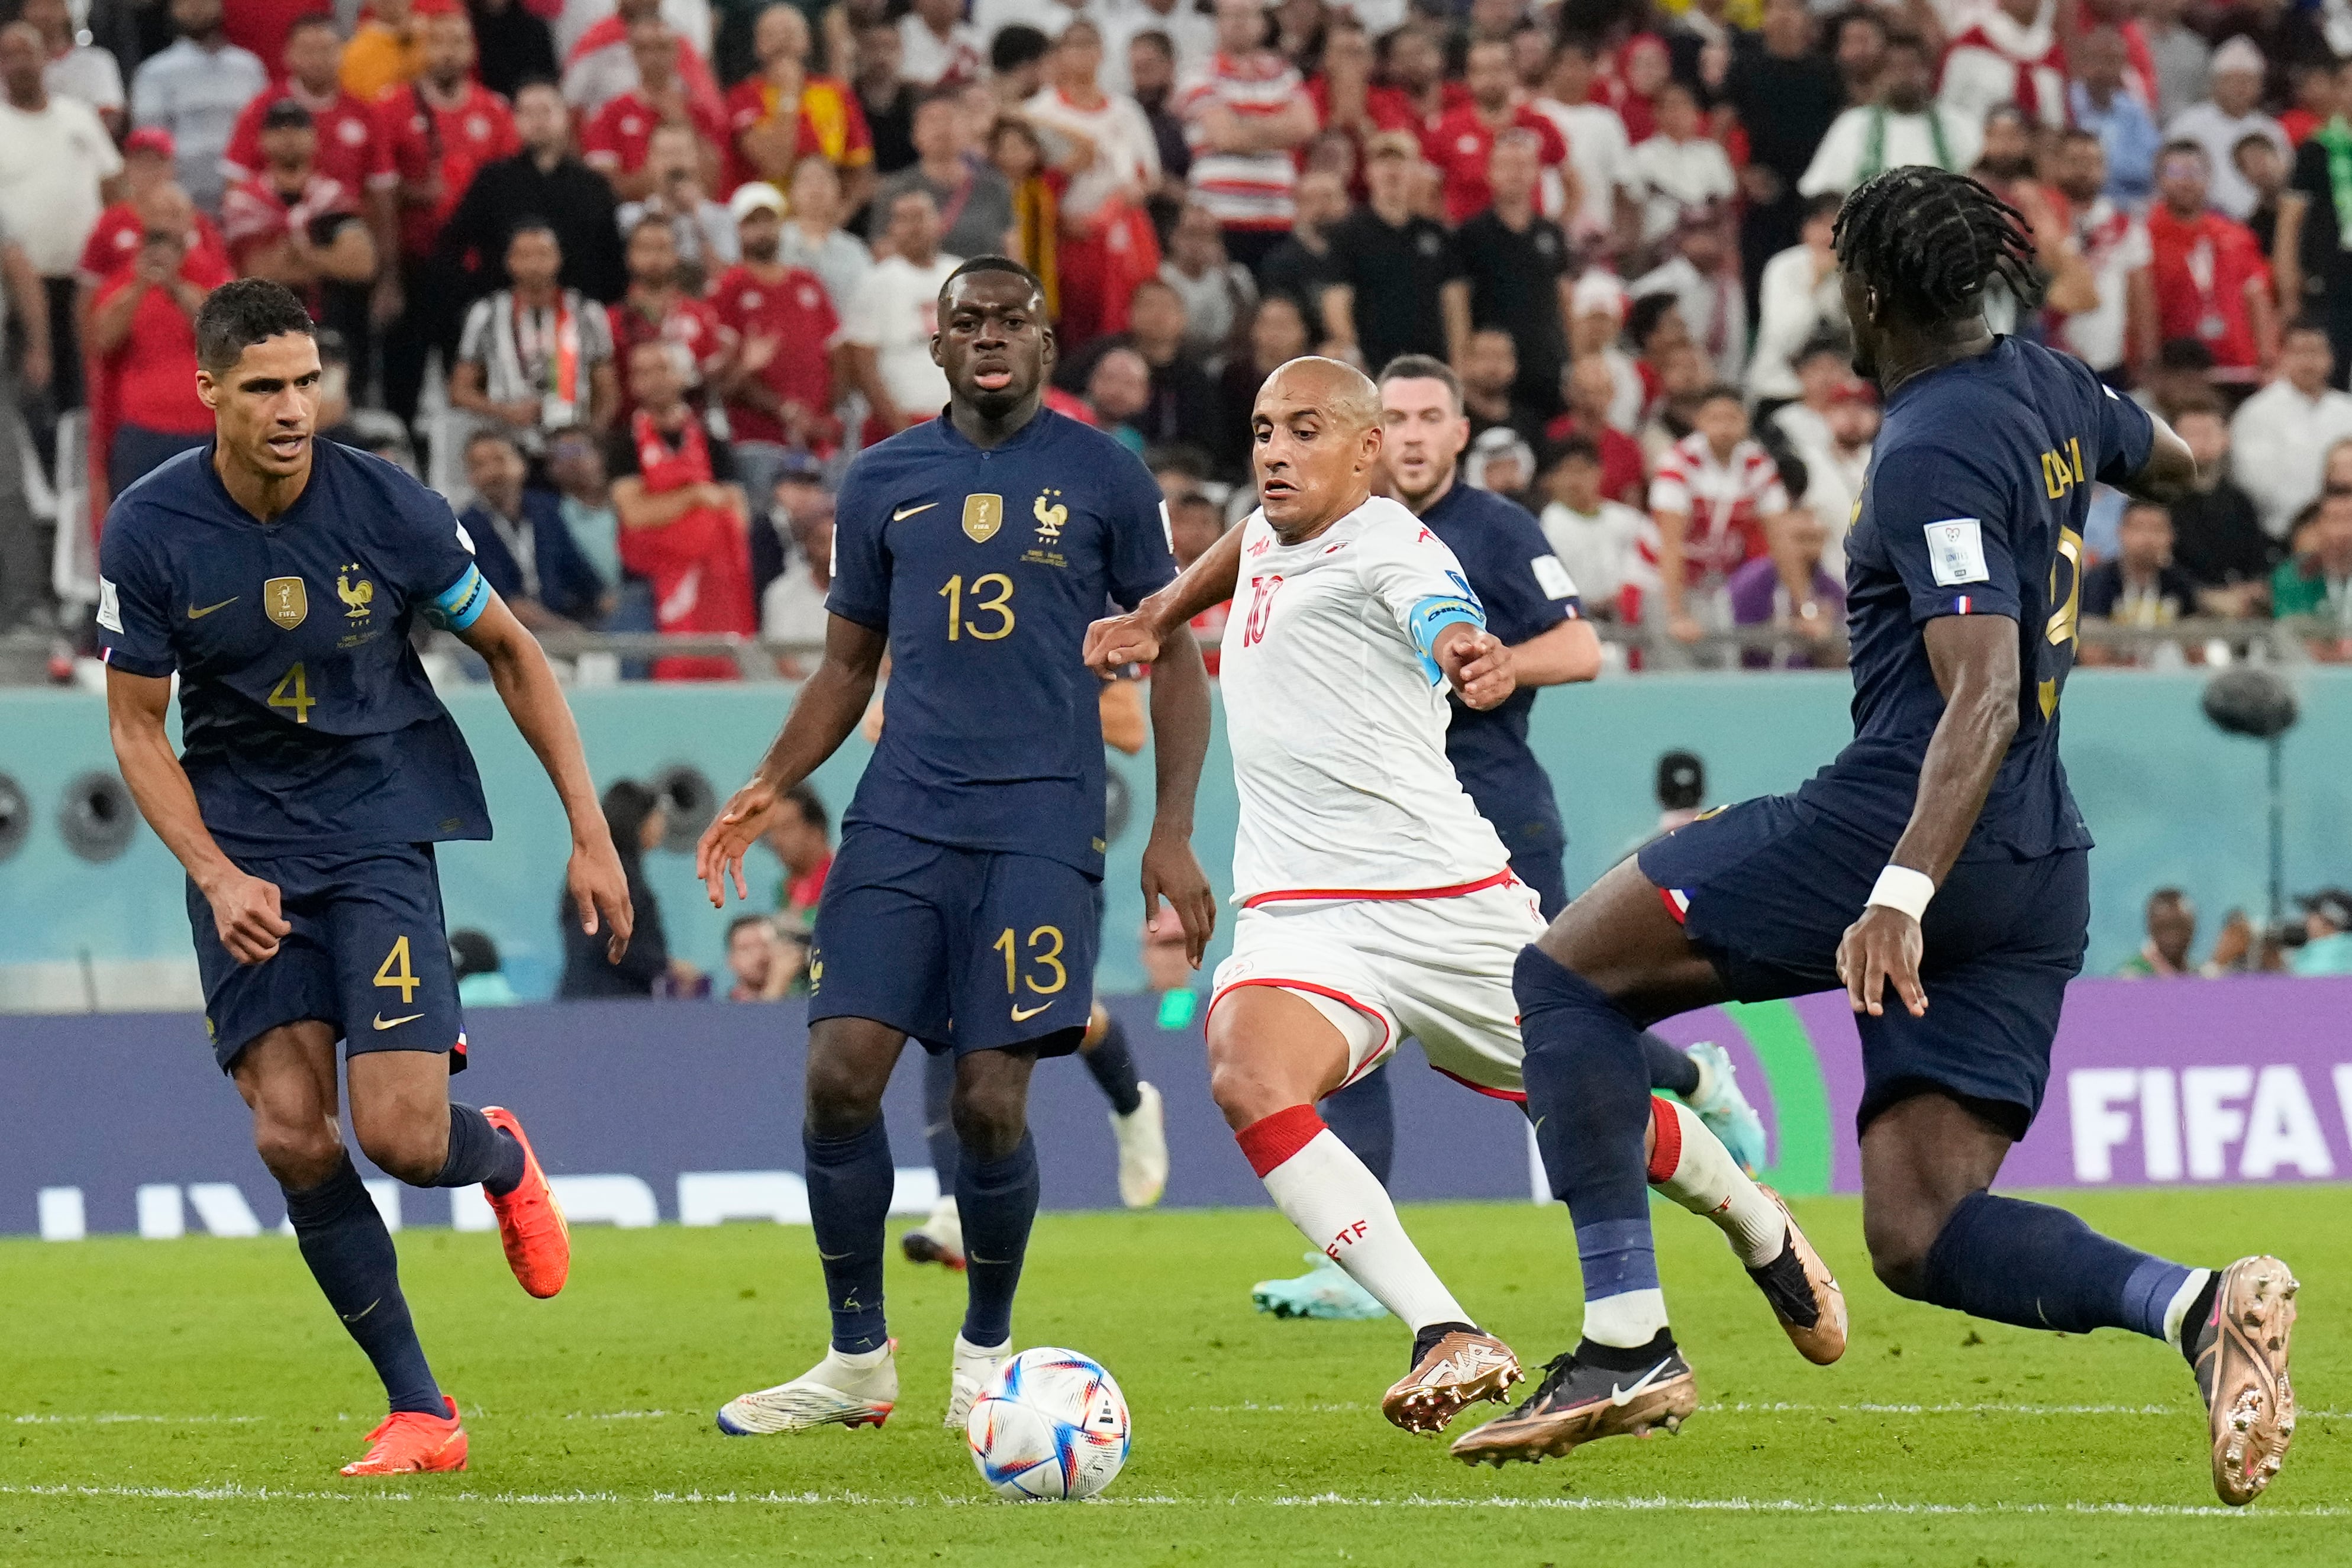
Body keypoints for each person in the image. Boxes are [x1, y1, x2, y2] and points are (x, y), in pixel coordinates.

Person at [1461, 168, 2301, 1511]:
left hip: (1899, 829)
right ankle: (2196, 1307)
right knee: (1917, 1230)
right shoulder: (2048, 385)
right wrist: (2072, 448)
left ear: (1868, 294)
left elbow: (1979, 688)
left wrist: (1899, 890)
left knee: (1561, 976)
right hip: (2037, 861)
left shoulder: (1928, 449)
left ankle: (1624, 1341)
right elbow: (2179, 459)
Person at [1080, 356, 1819, 1428]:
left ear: (1367, 451)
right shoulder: (1274, 529)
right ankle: (1444, 1330)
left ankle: (1755, 1220)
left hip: (1441, 902)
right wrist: (1158, 612)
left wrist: (1463, 645)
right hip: (1301, 908)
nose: (1275, 452)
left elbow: (1436, 609)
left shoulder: (1394, 542)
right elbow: (1242, 544)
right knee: (1247, 1072)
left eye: (1304, 431)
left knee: (1591, 1105)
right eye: (1264, 429)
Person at [96, 278, 628, 1476]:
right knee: (292, 1134)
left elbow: (513, 651)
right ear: (209, 391)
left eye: (306, 382)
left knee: (401, 1135)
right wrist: (213, 871)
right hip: (245, 848)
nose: (293, 408)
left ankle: (497, 1153)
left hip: (379, 827)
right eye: (264, 388)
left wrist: (589, 830)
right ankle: (421, 1410)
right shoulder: (150, 528)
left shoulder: (389, 505)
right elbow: (134, 726)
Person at [691, 254, 1215, 1437]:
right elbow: (847, 665)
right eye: (966, 320)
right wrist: (771, 782)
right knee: (838, 1077)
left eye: (1011, 319)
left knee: (988, 1101)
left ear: (1045, 341)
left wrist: (1173, 828)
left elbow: (1174, 651)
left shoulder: (1107, 476)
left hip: (1040, 825)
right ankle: (856, 1361)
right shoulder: (881, 479)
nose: (989, 335)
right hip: (901, 818)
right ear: (933, 345)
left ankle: (985, 1353)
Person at [379, 11, 522, 431]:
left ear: (472, 49)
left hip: (474, 271)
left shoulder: (494, 110)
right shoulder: (392, 107)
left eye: (458, 41)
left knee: (473, 374)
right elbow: (378, 190)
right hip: (416, 263)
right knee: (403, 377)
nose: (448, 52)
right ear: (423, 49)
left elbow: (508, 192)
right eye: (438, 41)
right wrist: (417, 194)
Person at [607, 339, 757, 680]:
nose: (654, 380)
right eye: (642, 373)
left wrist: (667, 507)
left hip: (711, 585)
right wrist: (696, 497)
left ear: (683, 376)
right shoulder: (622, 443)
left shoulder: (714, 442)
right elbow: (636, 516)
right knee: (637, 672)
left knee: (725, 673)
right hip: (645, 587)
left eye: (662, 369)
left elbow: (737, 514)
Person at [0, 20, 117, 425]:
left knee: (87, 393)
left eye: (27, 53)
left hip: (86, 281)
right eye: (9, 55)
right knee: (34, 399)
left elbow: (112, 184)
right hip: (22, 286)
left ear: (46, 58)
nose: (20, 63)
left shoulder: (78, 116)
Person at [435, 79, 628, 309]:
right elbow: (453, 244)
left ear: (566, 117)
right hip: (504, 311)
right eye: (527, 112)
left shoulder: (593, 186)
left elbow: (612, 259)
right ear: (515, 120)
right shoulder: (493, 181)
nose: (538, 120)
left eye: (546, 110)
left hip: (577, 313)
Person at [89, 191, 231, 501]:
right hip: (142, 429)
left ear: (189, 225)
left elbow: (223, 333)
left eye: (174, 216)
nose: (166, 229)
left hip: (205, 427)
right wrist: (141, 285)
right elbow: (103, 339)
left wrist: (174, 285)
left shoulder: (212, 275)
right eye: (158, 221)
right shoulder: (123, 282)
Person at [711, 182, 844, 490]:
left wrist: (823, 414)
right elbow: (726, 376)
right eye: (752, 223)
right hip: (759, 438)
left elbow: (837, 353)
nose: (762, 231)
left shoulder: (807, 282)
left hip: (818, 437)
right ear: (738, 230)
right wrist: (783, 409)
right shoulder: (730, 287)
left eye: (769, 221)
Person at [452, 222, 620, 453]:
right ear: (509, 261)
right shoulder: (486, 313)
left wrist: (591, 438)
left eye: (543, 254)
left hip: (571, 440)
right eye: (524, 256)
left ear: (559, 258)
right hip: (507, 440)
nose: (534, 265)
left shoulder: (587, 312)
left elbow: (608, 391)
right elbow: (460, 391)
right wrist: (505, 412)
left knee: (576, 461)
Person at [1647, 385, 1794, 647]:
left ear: (1746, 422)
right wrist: (1676, 614)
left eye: (1732, 418)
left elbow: (1782, 540)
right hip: (1660, 583)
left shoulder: (1758, 465)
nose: (1724, 427)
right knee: (1673, 661)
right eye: (1715, 418)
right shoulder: (1678, 463)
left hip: (1715, 587)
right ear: (1699, 421)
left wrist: (1804, 608)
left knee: (1725, 660)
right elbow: (1670, 543)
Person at [1176, 0, 1315, 270]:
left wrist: (1243, 124)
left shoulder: (1284, 73)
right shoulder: (1199, 73)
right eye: (1230, 15)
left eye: (1246, 15)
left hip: (1279, 218)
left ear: (1262, 23)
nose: (1238, 23)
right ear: (1217, 23)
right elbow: (1226, 136)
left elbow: (1306, 126)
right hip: (1219, 219)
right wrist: (1277, 123)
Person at [1321, 131, 1467, 378]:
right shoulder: (1348, 234)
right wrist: (1353, 357)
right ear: (1368, 173)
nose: (1392, 171)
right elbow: (1337, 300)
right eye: (1382, 163)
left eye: (1401, 163)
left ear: (1416, 172)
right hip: (1373, 366)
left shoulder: (1437, 234)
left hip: (1430, 365)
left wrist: (1458, 363)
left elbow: (1454, 303)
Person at [1460, 131, 1573, 421]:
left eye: (1524, 165)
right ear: (1491, 173)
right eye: (1507, 165)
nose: (1516, 174)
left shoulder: (1551, 233)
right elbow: (1457, 302)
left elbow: (1564, 297)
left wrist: (1574, 356)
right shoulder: (1471, 234)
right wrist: (1461, 362)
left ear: (1536, 173)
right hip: (1493, 371)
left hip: (1545, 362)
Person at [218, 101, 378, 306]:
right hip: (266, 316)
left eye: (299, 127)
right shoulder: (243, 202)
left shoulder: (333, 197)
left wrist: (304, 257)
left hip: (332, 314)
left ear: (316, 139)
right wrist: (327, 260)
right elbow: (253, 273)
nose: (289, 136)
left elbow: (362, 265)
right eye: (278, 128)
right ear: (261, 141)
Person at [726, 4, 875, 213]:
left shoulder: (836, 93)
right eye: (772, 34)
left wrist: (835, 219)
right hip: (768, 219)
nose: (782, 41)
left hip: (826, 216)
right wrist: (788, 95)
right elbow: (775, 164)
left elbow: (860, 171)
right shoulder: (743, 96)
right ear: (758, 46)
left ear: (807, 41)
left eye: (790, 32)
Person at [1798, 31, 1980, 201]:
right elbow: (1819, 191)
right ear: (1881, 74)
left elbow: (1982, 186)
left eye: (1911, 66)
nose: (1903, 76)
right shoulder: (1853, 124)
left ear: (1928, 72)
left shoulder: (1960, 124)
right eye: (1895, 67)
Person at [457, 427, 611, 628]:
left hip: (562, 622)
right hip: (507, 635)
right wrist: (570, 633)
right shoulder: (466, 529)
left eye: (499, 460)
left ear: (521, 463)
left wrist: (606, 603)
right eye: (478, 466)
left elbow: (583, 576)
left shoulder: (546, 511)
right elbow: (507, 605)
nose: (491, 473)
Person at [841, 186, 960, 440]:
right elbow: (862, 365)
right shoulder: (875, 283)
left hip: (962, 422)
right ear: (891, 229)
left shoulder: (961, 275)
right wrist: (902, 430)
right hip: (902, 423)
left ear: (938, 222)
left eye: (920, 217)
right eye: (904, 220)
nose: (914, 227)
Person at [128, 0, 267, 216]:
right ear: (173, 9)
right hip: (179, 204)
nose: (196, 7)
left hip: (246, 200)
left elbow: (263, 133)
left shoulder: (249, 68)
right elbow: (150, 146)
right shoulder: (154, 73)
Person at [581, 17, 730, 204]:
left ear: (677, 52)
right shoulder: (609, 114)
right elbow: (604, 188)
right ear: (633, 54)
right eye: (644, 49)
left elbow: (714, 182)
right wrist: (660, 173)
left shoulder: (700, 112)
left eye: (662, 47)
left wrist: (684, 122)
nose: (654, 57)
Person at [1424, 37, 1567, 230]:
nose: (1490, 79)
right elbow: (1427, 192)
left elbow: (1572, 183)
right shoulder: (1446, 129)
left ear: (1513, 73)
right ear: (1469, 77)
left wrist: (1553, 230)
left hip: (1523, 239)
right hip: (1467, 242)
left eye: (1498, 69)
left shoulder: (1539, 124)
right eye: (1482, 71)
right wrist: (1445, 234)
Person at [2230, 319, 2352, 539]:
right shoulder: (2256, 413)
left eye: (2316, 352)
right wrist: (2309, 523)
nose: (2309, 362)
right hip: (2279, 534)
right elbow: (2254, 483)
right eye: (2299, 353)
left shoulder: (2346, 410)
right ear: (2283, 357)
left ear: (2331, 358)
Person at [558, 779, 677, 998]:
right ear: (638, 821)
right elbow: (607, 940)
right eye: (655, 817)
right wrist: (663, 964)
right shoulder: (617, 879)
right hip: (611, 1000)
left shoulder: (596, 872)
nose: (661, 827)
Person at [870, 89, 1015, 267]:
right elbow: (881, 251)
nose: (942, 128)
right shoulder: (895, 189)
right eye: (931, 120)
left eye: (950, 118)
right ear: (915, 135)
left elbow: (1012, 249)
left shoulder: (995, 187)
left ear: (968, 130)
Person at [2165, 38, 2289, 224]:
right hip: (2202, 221)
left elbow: (2284, 182)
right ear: (2215, 83)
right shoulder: (2187, 125)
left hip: (2261, 222)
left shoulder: (2271, 130)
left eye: (2248, 81)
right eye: (2233, 80)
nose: (2240, 88)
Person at [1538, 436, 1652, 618]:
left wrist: (1628, 592)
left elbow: (1651, 563)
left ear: (1599, 472)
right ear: (1551, 480)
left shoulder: (1628, 519)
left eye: (1581, 470)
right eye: (1565, 472)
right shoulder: (1545, 527)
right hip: (1578, 621)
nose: (1574, 481)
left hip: (1631, 619)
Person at [2079, 500, 2201, 662]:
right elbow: (2090, 653)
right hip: (2111, 675)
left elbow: (2196, 650)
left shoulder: (2179, 583)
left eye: (2157, 529)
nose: (2147, 539)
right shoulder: (2098, 581)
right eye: (2138, 528)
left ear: (2171, 536)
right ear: (2121, 532)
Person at [2115, 887, 2199, 977]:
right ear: (2150, 928)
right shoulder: (2133, 976)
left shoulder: (2198, 975)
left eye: (2180, 927)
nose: (2172, 937)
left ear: (2193, 927)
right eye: (2163, 928)